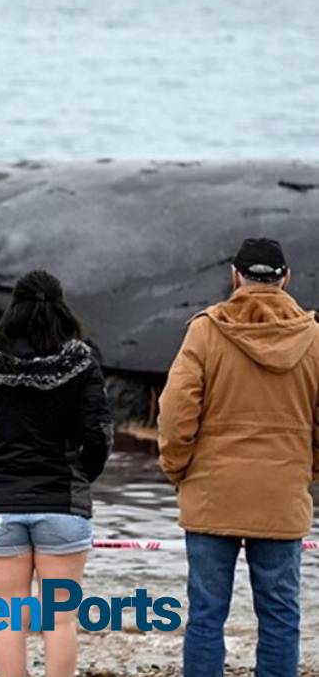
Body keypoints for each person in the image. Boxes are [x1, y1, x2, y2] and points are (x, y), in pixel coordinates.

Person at [158, 237, 319, 677]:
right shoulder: (313, 338)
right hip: (282, 497)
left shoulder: (206, 331)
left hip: (212, 495)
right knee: (281, 616)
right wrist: (305, 471)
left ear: (235, 276)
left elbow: (175, 412)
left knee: (207, 615)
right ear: (286, 278)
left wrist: (178, 468)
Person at [0, 270, 113, 677]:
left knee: (8, 620)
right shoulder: (82, 362)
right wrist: (80, 477)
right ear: (60, 307)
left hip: (1, 506)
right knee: (59, 620)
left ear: (15, 307)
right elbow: (99, 436)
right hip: (62, 505)